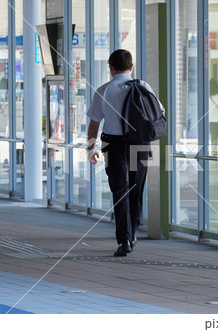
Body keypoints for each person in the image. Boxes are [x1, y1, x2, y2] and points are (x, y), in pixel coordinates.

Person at [87, 49, 163, 257]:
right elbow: (160, 112)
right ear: (131, 67)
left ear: (110, 68)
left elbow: (94, 125)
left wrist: (91, 148)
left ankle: (125, 240)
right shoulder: (143, 86)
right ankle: (133, 232)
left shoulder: (103, 90)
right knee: (136, 190)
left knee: (120, 192)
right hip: (140, 144)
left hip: (114, 146)